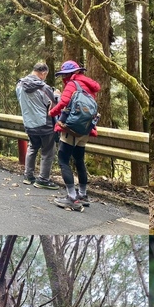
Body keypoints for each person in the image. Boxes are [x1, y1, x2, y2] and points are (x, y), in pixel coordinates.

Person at [48, 60, 100, 211]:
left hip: (72, 129)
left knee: (63, 159)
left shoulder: (72, 84)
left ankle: (72, 198)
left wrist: (51, 113)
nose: (64, 78)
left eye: (65, 75)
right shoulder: (89, 86)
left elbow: (63, 103)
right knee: (79, 160)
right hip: (86, 128)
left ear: (71, 74)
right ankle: (82, 195)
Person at [15, 63, 60, 189]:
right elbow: (53, 104)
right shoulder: (44, 88)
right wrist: (56, 94)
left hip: (29, 123)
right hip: (44, 124)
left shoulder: (19, 85)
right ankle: (43, 179)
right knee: (47, 151)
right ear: (43, 73)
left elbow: (21, 101)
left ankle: (28, 176)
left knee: (33, 147)